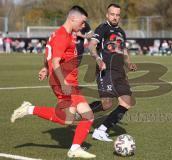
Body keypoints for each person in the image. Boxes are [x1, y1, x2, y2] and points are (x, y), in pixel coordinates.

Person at [10, 5, 96, 159]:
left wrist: (45, 67)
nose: (84, 26)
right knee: (79, 117)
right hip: (63, 80)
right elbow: (56, 62)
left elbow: (48, 55)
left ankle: (74, 148)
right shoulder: (63, 35)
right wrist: (63, 83)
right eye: (82, 22)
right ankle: (30, 109)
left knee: (79, 117)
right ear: (73, 18)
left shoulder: (63, 34)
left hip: (67, 80)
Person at [88, 3, 137, 142]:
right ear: (107, 15)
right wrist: (98, 59)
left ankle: (101, 130)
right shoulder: (103, 28)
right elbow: (91, 45)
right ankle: (83, 110)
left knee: (126, 103)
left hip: (120, 72)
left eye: (117, 15)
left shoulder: (121, 32)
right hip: (106, 70)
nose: (115, 17)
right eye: (112, 14)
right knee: (107, 104)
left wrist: (129, 63)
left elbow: (124, 51)